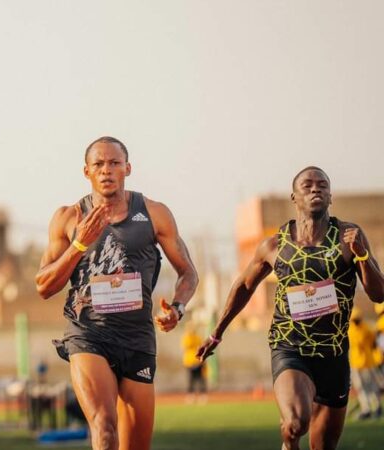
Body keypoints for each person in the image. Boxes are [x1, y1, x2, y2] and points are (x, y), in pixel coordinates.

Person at [197, 167, 384, 450]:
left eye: (322, 185)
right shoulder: (275, 244)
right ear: (294, 197)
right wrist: (217, 333)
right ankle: (289, 443)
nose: (315, 189)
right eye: (307, 185)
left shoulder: (349, 237)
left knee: (323, 446)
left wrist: (363, 254)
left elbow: (378, 294)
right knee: (297, 422)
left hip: (333, 353)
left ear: (331, 196)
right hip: (290, 347)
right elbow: (244, 287)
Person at [35, 136, 199, 450]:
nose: (106, 170)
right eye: (98, 164)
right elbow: (44, 286)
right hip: (88, 334)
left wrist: (177, 307)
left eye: (114, 163)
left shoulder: (154, 213)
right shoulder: (68, 218)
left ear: (128, 168)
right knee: (104, 429)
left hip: (137, 337)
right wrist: (79, 244)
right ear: (87, 172)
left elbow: (188, 272)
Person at [348, 308, 381, 419]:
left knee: (371, 386)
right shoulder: (350, 330)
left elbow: (373, 343)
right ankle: (366, 409)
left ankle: (376, 407)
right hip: (356, 363)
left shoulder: (366, 329)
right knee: (361, 387)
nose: (356, 321)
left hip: (367, 362)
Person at [180, 322, 207, 404]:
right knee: (191, 379)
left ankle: (202, 395)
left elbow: (202, 348)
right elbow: (185, 348)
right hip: (189, 362)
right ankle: (190, 395)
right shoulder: (186, 338)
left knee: (200, 379)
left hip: (198, 361)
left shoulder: (198, 337)